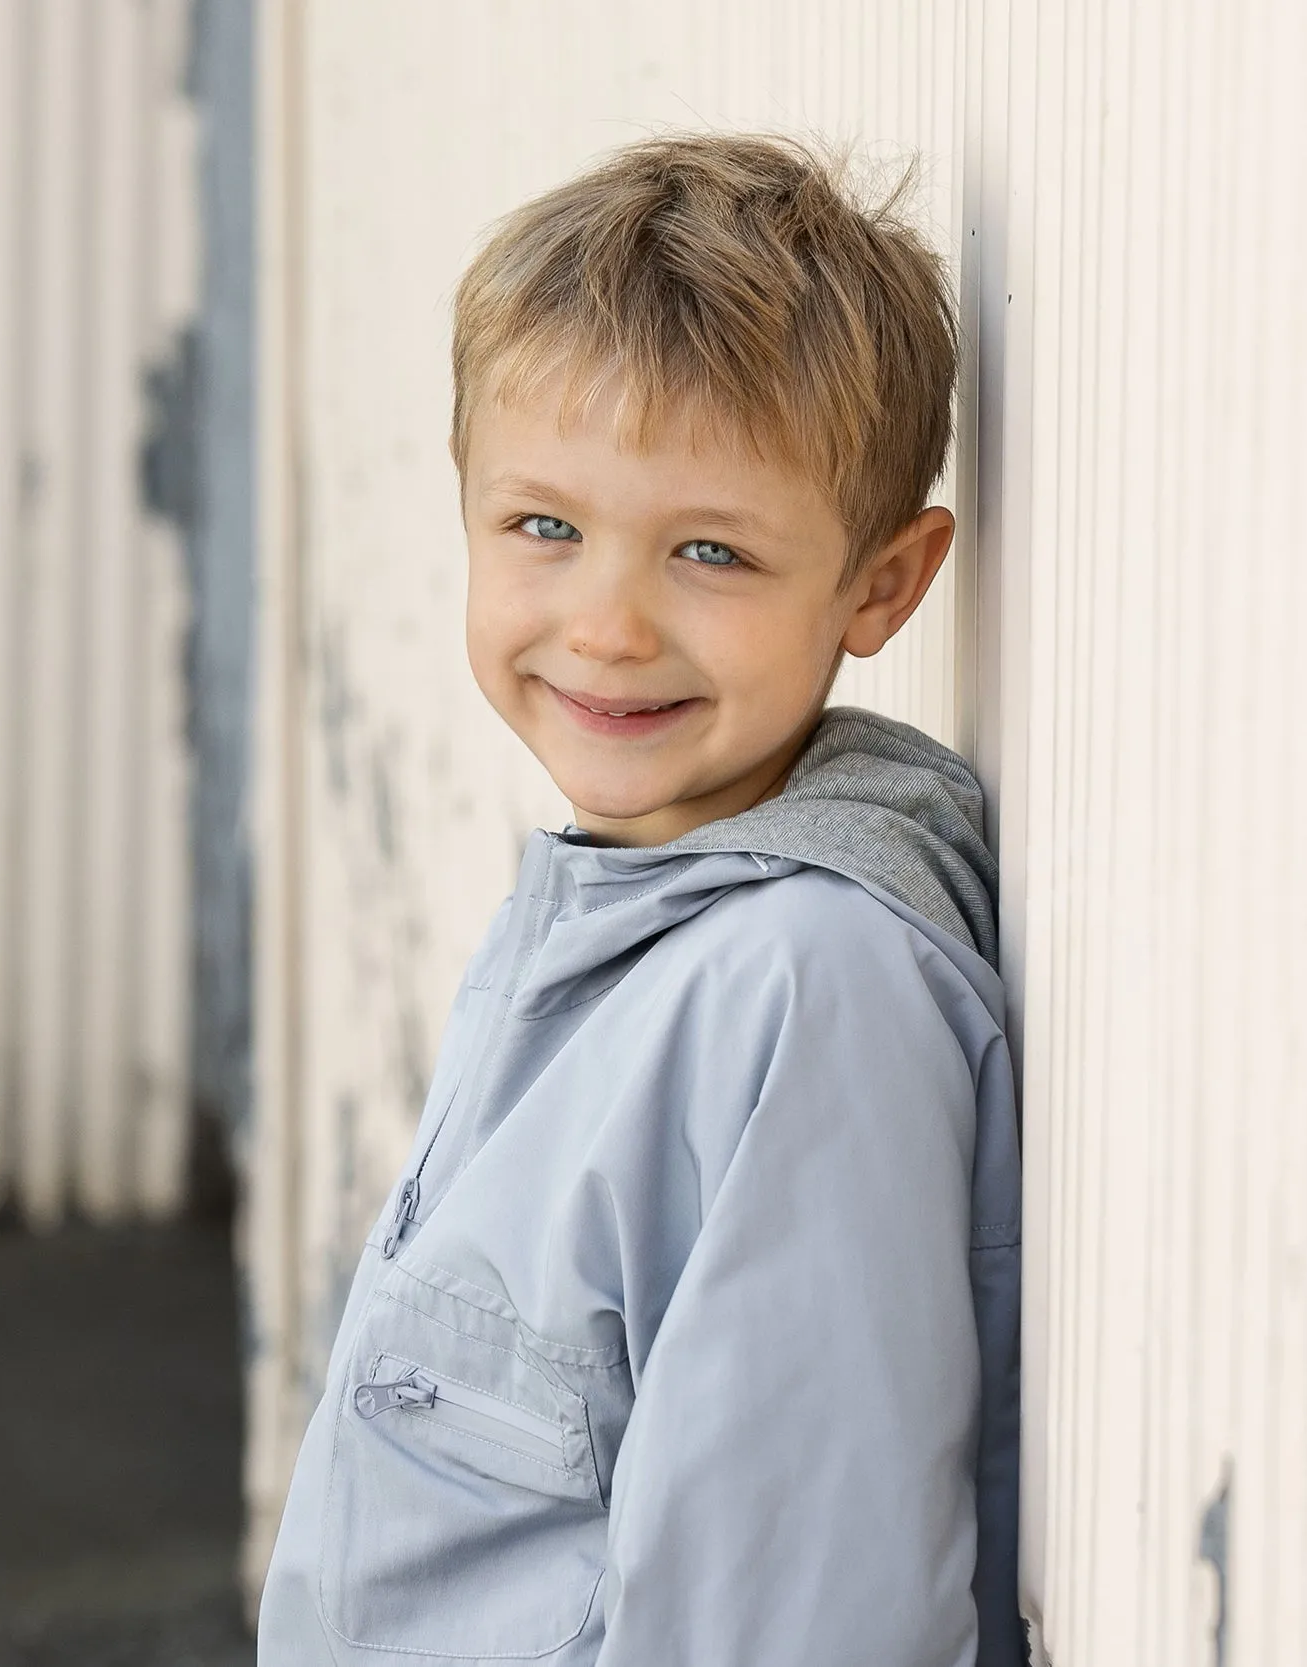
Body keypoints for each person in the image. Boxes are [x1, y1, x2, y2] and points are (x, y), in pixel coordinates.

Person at [257, 131, 1023, 1667]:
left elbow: (794, 1618)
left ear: (881, 585)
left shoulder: (811, 994)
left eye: (711, 552)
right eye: (546, 526)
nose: (605, 623)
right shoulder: (611, 918)